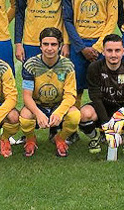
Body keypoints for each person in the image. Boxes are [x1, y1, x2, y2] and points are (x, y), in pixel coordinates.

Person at [62, 0, 118, 106]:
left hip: (100, 45)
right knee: (75, 88)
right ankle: (72, 126)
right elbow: (67, 20)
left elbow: (112, 19)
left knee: (104, 88)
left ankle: (103, 127)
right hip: (78, 45)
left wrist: (99, 46)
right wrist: (81, 48)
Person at [79, 34, 124, 156]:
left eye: (117, 50)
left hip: (123, 111)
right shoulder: (94, 68)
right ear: (103, 51)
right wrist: (107, 124)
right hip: (101, 109)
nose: (113, 55)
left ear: (123, 51)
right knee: (84, 114)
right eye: (109, 50)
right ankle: (96, 138)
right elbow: (95, 97)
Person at [19, 27, 80, 157]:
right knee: (24, 117)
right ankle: (30, 139)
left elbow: (70, 96)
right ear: (40, 46)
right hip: (38, 104)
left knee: (75, 116)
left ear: (60, 46)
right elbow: (27, 96)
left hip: (58, 105)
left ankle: (60, 138)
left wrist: (59, 112)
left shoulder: (68, 66)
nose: (49, 48)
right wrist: (38, 113)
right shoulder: (31, 65)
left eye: (53, 44)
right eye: (45, 44)